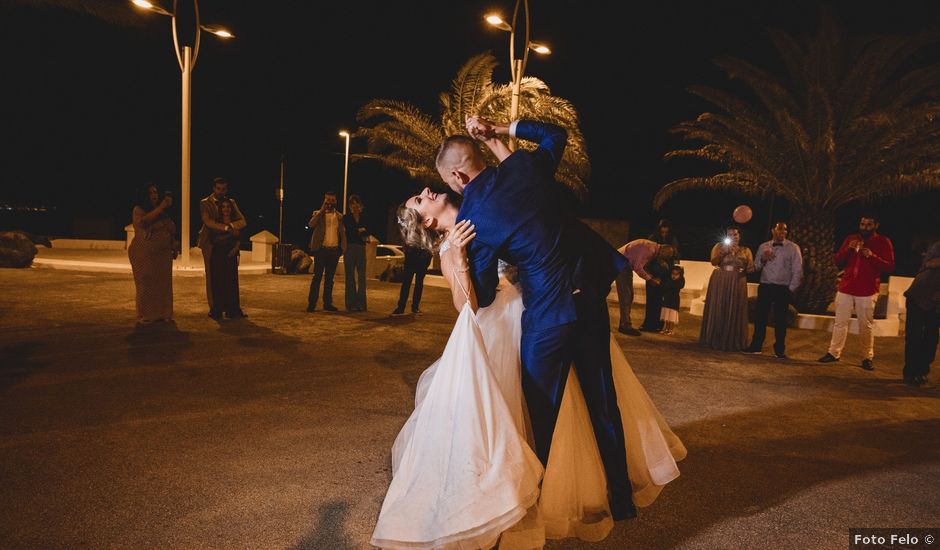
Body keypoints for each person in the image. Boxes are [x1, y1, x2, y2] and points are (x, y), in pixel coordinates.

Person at [373, 186, 685, 549]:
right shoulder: (450, 247)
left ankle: (579, 484)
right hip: (506, 324)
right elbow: (466, 307)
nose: (427, 191)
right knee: (520, 411)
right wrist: (457, 255)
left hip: (544, 309)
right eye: (419, 199)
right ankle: (524, 494)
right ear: (427, 221)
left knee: (572, 404)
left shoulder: (485, 216)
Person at [818, 215, 895, 370]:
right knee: (840, 322)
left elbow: (890, 266)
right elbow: (837, 259)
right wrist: (848, 249)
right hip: (846, 287)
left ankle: (867, 357)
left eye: (868, 224)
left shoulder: (883, 242)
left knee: (865, 325)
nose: (865, 227)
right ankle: (834, 353)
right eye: (862, 224)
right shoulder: (851, 238)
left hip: (867, 290)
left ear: (876, 225)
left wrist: (873, 257)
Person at [744, 222, 803, 359]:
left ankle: (779, 350)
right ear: (773, 231)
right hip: (765, 285)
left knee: (780, 320)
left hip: (782, 288)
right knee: (760, 318)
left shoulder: (793, 248)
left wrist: (791, 289)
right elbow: (756, 267)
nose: (783, 232)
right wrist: (763, 259)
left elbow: (798, 270)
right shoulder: (763, 246)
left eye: (785, 230)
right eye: (780, 229)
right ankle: (756, 346)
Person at [197, 177, 246, 319]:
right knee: (212, 277)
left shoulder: (231, 203)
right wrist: (226, 228)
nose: (221, 192)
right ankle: (215, 308)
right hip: (211, 243)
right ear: (213, 188)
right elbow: (207, 222)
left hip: (229, 242)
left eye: (223, 189)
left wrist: (231, 227)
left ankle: (232, 308)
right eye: (218, 188)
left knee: (230, 277)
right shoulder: (205, 203)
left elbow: (242, 221)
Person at [700, 225, 755, 351]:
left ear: (739, 236)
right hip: (721, 280)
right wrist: (723, 252)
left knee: (735, 308)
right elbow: (713, 262)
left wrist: (761, 261)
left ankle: (732, 341)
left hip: (738, 281)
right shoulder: (719, 246)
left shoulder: (746, 250)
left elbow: (751, 269)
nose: (733, 237)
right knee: (719, 306)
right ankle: (715, 338)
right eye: (730, 235)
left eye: (735, 234)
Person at [128, 183, 176, 324]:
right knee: (146, 282)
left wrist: (173, 245)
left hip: (162, 254)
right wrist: (161, 207)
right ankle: (147, 314)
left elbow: (171, 228)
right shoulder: (138, 209)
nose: (154, 195)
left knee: (163, 284)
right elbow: (143, 222)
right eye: (151, 193)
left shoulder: (162, 212)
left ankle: (162, 313)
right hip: (144, 253)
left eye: (156, 192)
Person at [615, 239, 676, 336]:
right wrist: (650, 280)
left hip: (622, 262)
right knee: (626, 296)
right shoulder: (650, 250)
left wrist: (650, 276)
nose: (665, 260)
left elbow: (641, 265)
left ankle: (625, 323)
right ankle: (625, 326)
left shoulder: (652, 247)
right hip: (621, 263)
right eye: (666, 257)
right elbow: (638, 267)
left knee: (628, 296)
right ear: (663, 251)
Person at [902, 240, 939, 386]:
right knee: (914, 337)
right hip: (918, 296)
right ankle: (910, 372)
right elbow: (928, 263)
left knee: (931, 338)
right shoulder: (938, 246)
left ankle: (922, 370)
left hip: (935, 304)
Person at [306, 191, 346, 313]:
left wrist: (342, 249)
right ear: (324, 201)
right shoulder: (318, 214)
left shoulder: (340, 217)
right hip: (321, 250)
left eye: (332, 200)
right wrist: (322, 210)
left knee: (330, 279)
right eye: (327, 200)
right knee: (317, 277)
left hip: (334, 251)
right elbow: (311, 224)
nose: (330, 203)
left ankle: (327, 303)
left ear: (336, 202)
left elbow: (343, 234)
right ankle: (312, 304)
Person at [205, 199, 244, 319]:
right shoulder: (216, 223)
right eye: (223, 207)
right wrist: (230, 233)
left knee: (231, 283)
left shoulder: (235, 222)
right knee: (218, 283)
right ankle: (218, 310)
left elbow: (239, 238)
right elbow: (214, 240)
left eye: (228, 207)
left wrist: (235, 249)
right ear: (220, 209)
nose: (226, 209)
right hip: (218, 256)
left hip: (231, 256)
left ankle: (232, 310)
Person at [343, 195, 368, 312]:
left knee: (362, 276)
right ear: (350, 206)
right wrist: (360, 230)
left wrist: (360, 231)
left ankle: (361, 303)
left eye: (356, 203)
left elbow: (370, 230)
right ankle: (350, 303)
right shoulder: (346, 218)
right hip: (350, 248)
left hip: (361, 248)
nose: (355, 205)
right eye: (352, 203)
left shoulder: (365, 217)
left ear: (360, 204)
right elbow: (349, 232)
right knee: (350, 276)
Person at [392, 243, 432, 316]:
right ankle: (403, 307)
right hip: (412, 257)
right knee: (407, 283)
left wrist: (428, 256)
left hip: (421, 258)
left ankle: (411, 307)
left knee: (417, 284)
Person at [659, 265, 685, 336]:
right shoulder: (668, 281)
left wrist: (682, 275)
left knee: (672, 317)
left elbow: (681, 284)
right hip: (667, 300)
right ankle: (665, 329)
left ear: (680, 275)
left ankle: (671, 329)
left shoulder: (679, 282)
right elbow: (664, 286)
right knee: (666, 317)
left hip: (674, 301)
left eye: (676, 274)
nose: (674, 276)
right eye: (673, 274)